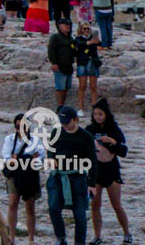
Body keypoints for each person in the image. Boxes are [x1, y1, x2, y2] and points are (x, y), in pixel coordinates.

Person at [46, 105, 93, 245]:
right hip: (58, 176)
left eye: (67, 122)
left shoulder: (86, 137)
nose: (64, 125)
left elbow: (93, 162)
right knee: (53, 207)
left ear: (76, 119)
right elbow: (50, 150)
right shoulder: (56, 132)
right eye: (62, 122)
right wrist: (51, 159)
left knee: (79, 214)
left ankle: (79, 242)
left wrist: (92, 184)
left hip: (78, 177)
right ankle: (60, 237)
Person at [86, 101, 128, 245]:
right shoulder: (89, 129)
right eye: (95, 114)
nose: (98, 117)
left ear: (106, 115)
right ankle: (97, 236)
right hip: (94, 173)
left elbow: (124, 151)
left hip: (111, 171)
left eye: (100, 114)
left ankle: (127, 233)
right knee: (94, 206)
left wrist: (112, 142)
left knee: (116, 204)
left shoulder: (114, 129)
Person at [0, 113, 42, 245]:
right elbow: (7, 159)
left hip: (30, 176)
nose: (20, 129)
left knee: (30, 206)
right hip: (15, 175)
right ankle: (11, 237)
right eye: (17, 127)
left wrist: (17, 158)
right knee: (12, 203)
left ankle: (31, 238)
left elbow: (39, 160)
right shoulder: (10, 139)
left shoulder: (35, 140)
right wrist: (28, 158)